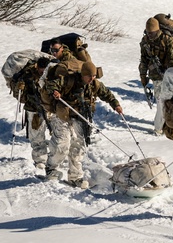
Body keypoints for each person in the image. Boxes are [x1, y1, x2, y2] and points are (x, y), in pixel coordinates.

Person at [40, 60, 123, 188]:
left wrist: (116, 105)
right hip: (64, 115)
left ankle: (75, 176)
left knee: (79, 147)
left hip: (81, 117)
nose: (91, 78)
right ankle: (51, 169)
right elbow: (50, 85)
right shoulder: (69, 80)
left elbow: (106, 94)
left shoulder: (94, 84)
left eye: (94, 76)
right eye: (89, 76)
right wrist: (55, 91)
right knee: (62, 144)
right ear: (82, 74)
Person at [9, 56, 51, 171]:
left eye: (45, 70)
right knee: (36, 136)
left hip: (51, 109)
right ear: (37, 67)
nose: (43, 72)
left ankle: (54, 159)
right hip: (33, 109)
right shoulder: (27, 76)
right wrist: (19, 88)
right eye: (41, 70)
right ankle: (40, 160)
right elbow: (20, 97)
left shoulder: (52, 74)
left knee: (56, 134)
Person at [139, 16, 173, 98]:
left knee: (171, 99)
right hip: (155, 75)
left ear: (157, 30)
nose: (149, 35)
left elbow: (172, 60)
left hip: (168, 73)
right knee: (160, 100)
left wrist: (169, 76)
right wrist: (143, 75)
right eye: (148, 32)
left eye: (151, 33)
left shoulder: (168, 40)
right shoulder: (145, 40)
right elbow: (143, 59)